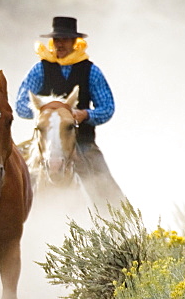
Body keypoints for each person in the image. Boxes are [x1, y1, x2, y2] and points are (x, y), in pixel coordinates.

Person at [14, 15, 126, 207]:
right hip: (42, 144)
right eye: (56, 39)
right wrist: (44, 113)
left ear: (75, 42)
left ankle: (119, 223)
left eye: (64, 39)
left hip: (82, 143)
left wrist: (86, 115)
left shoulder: (91, 71)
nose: (59, 44)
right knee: (9, 174)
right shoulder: (40, 69)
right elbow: (20, 105)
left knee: (107, 189)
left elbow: (107, 107)